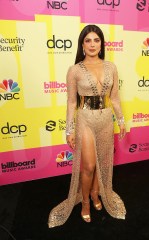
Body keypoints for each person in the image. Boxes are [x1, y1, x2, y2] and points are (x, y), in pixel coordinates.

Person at [48, 24, 126, 227]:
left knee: (101, 162)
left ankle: (95, 193)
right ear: (82, 44)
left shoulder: (111, 67)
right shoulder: (74, 70)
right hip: (85, 120)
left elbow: (115, 98)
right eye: (88, 40)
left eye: (96, 40)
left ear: (102, 43)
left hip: (105, 119)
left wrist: (121, 120)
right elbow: (72, 103)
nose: (92, 44)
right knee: (89, 166)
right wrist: (69, 129)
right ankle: (84, 202)